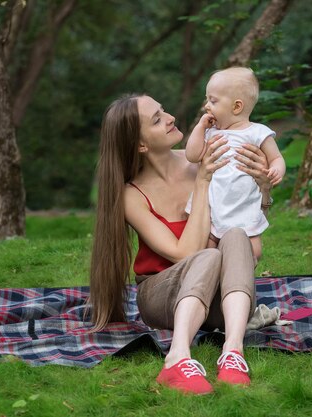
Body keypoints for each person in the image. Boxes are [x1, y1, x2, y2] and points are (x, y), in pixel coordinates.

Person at [89, 94, 274, 395]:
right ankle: (177, 358)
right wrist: (202, 182)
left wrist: (262, 189)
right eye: (157, 119)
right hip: (162, 295)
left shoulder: (202, 157)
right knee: (208, 257)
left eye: (163, 110)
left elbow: (249, 230)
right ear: (140, 145)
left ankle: (233, 352)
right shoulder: (131, 195)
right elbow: (185, 254)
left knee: (236, 234)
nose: (171, 117)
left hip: (216, 299)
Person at [185, 67, 286, 259]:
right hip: (213, 211)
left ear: (237, 107)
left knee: (254, 252)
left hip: (243, 209)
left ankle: (238, 277)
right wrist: (200, 127)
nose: (207, 106)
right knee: (207, 253)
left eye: (213, 101)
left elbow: (276, 158)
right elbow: (192, 155)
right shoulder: (210, 132)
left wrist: (275, 171)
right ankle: (218, 281)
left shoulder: (257, 133)